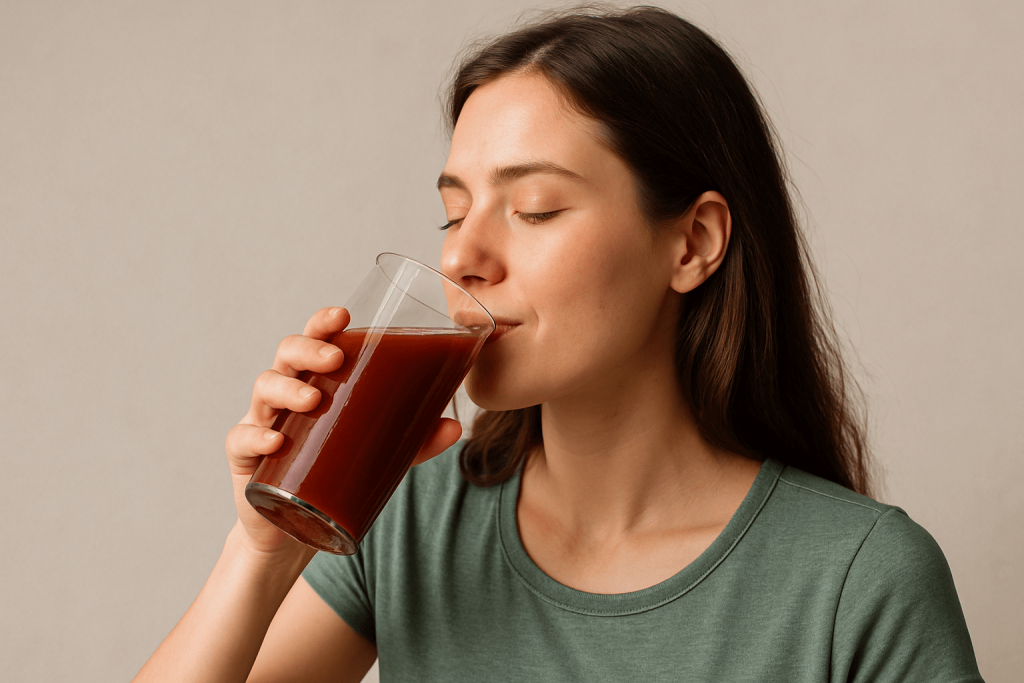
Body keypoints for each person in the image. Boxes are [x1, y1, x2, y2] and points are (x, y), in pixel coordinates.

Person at [135, 6, 983, 682]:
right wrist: (258, 554)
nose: (462, 256)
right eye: (453, 210)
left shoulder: (858, 578)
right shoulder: (412, 521)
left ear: (692, 244)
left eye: (534, 207)